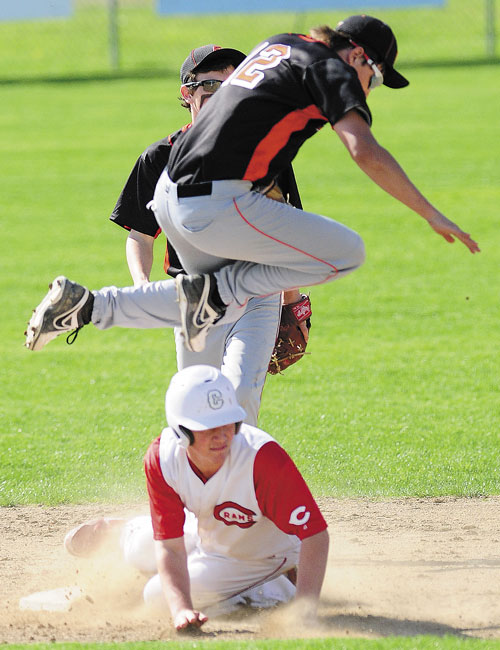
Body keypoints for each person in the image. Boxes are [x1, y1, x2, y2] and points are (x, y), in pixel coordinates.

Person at [24, 16, 478, 356]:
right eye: (376, 76)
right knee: (347, 253)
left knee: (202, 317)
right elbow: (365, 150)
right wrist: (430, 213)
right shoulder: (333, 69)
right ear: (358, 55)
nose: (371, 87)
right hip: (219, 199)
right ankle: (218, 293)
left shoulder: (277, 44)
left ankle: (87, 305)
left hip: (172, 196)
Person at [25, 44, 310, 426]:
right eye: (210, 88)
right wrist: (142, 286)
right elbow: (140, 235)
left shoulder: (268, 153)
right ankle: (187, 482)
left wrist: (292, 303)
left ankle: (237, 484)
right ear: (187, 94)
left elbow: (287, 233)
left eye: (232, 87)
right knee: (195, 402)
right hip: (195, 298)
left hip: (259, 293)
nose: (221, 97)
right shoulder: (160, 158)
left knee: (241, 396)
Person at [63, 365, 329, 632]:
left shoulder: (261, 459)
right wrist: (182, 609)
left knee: (156, 596)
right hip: (208, 527)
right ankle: (124, 533)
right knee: (141, 548)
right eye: (208, 427)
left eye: (228, 422)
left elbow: (315, 536)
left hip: (263, 555)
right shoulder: (163, 458)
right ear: (181, 431)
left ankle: (274, 587)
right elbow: (170, 546)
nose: (222, 435)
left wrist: (305, 610)